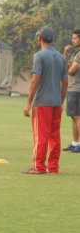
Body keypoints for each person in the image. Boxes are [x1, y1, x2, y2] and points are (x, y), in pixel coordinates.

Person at [23, 26, 68, 174]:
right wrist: (60, 101)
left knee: (41, 135)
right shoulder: (61, 57)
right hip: (56, 103)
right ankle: (53, 167)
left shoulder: (39, 56)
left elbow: (35, 81)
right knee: (54, 136)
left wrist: (29, 103)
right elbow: (65, 83)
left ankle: (39, 166)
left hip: (42, 103)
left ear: (39, 38)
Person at [62, 29, 80, 152]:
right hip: (72, 88)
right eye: (72, 38)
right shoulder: (76, 53)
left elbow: (70, 71)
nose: (72, 40)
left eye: (75, 38)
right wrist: (65, 53)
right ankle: (75, 143)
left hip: (77, 89)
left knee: (78, 116)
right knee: (74, 117)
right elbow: (66, 66)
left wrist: (68, 68)